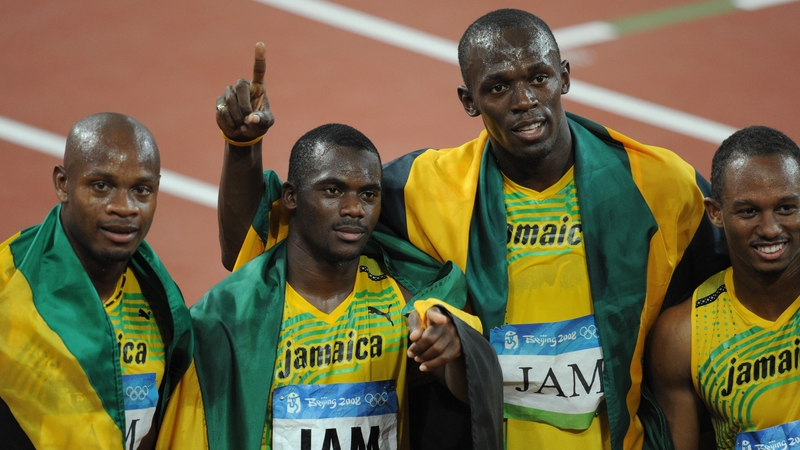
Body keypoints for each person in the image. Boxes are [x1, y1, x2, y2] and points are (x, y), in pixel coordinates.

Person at [214, 9, 729, 450]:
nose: (524, 99)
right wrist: (242, 150)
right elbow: (262, 244)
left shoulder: (658, 183)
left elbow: (732, 292)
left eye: (539, 77)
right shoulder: (427, 186)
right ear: (468, 100)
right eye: (499, 87)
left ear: (565, 77)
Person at [157, 123, 503, 449]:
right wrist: (241, 147)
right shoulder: (231, 317)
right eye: (333, 191)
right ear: (291, 197)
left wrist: (454, 348)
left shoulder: (405, 298)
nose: (354, 209)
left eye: (368, 194)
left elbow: (467, 395)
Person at [0, 113, 192, 449]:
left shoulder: (162, 304)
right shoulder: (9, 286)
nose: (124, 207)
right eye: (101, 186)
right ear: (63, 184)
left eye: (142, 190)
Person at [647, 126, 800, 450]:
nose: (770, 229)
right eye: (749, 211)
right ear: (716, 214)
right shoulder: (683, 336)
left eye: (786, 208)